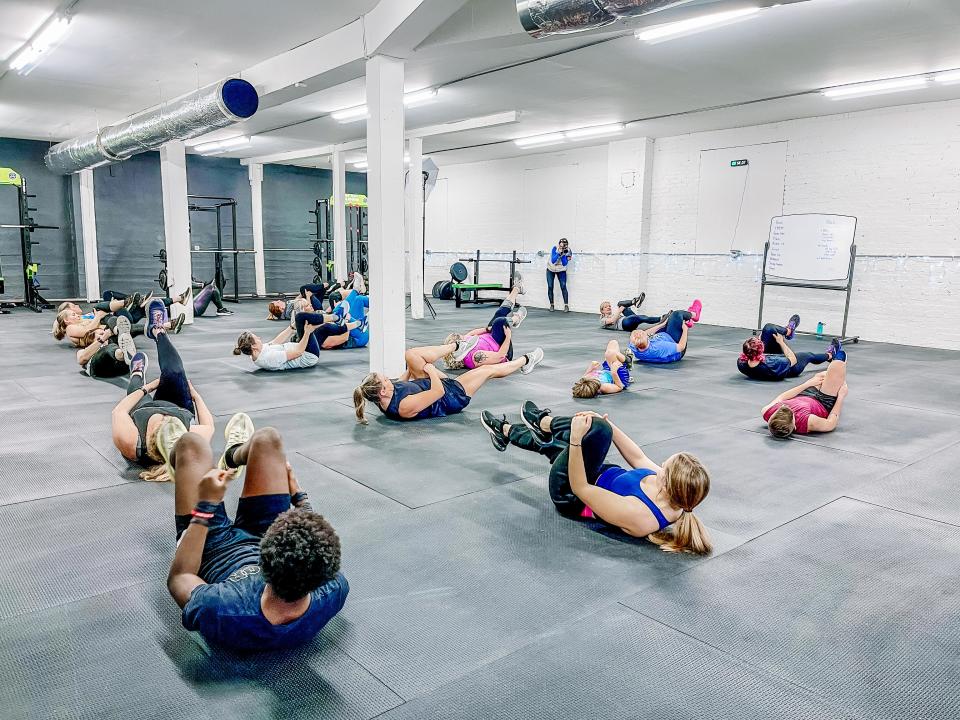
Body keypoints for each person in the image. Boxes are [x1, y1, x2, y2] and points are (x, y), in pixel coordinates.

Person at [156, 413, 348, 651]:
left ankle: (174, 457)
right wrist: (300, 498)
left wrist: (206, 507)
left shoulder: (221, 608)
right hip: (267, 545)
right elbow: (320, 546)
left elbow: (179, 577)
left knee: (191, 445)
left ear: (263, 560)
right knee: (268, 439)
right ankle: (231, 456)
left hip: (210, 549)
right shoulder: (334, 588)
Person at [479, 403, 711, 554]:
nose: (659, 466)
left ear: (668, 483)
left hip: (570, 493)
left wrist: (577, 439)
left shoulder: (642, 516)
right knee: (584, 434)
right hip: (594, 473)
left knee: (596, 430)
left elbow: (581, 487)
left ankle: (542, 423)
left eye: (663, 467)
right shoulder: (675, 495)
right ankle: (505, 430)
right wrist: (610, 423)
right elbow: (638, 457)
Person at [110, 303, 216, 481]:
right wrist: (196, 397)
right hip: (178, 405)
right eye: (170, 420)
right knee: (175, 373)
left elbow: (119, 411)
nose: (165, 416)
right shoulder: (191, 441)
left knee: (134, 388)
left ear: (152, 436)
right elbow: (209, 426)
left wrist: (147, 388)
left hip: (144, 410)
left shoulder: (133, 442)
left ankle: (136, 372)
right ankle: (158, 330)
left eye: (164, 420)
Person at [353, 342, 544, 424]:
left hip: (432, 385)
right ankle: (526, 361)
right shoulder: (403, 407)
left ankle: (457, 347)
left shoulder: (384, 396)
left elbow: (401, 384)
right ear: (382, 392)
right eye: (385, 380)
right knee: (487, 371)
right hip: (450, 397)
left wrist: (413, 367)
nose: (389, 379)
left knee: (410, 355)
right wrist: (428, 369)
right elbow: (438, 392)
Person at [762, 339, 848, 437]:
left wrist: (807, 384)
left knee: (820, 376)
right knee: (838, 364)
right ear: (795, 426)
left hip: (804, 394)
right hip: (823, 402)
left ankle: (830, 357)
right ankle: (835, 358)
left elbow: (782, 397)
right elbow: (830, 423)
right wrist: (841, 397)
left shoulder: (767, 411)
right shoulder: (807, 423)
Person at [441, 277, 526, 370]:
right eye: (461, 338)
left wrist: (487, 329)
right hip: (502, 348)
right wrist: (508, 337)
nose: (464, 337)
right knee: (499, 322)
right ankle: (517, 318)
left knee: (499, 314)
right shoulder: (475, 357)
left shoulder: (466, 342)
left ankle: (516, 288)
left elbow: (473, 333)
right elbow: (500, 356)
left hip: (492, 337)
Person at [233, 312, 361, 371]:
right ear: (254, 347)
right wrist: (307, 332)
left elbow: (276, 342)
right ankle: (337, 317)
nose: (260, 339)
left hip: (302, 348)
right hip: (308, 355)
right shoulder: (268, 358)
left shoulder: (256, 352)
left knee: (324, 328)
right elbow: (299, 352)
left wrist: (291, 327)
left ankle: (357, 324)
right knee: (301, 317)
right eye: (257, 339)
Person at [738, 315, 836, 381]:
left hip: (767, 359)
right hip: (790, 368)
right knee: (808, 355)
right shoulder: (773, 363)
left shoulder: (741, 363)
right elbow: (792, 359)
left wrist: (763, 336)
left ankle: (789, 331)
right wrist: (781, 342)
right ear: (761, 351)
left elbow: (755, 349)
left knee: (768, 328)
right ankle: (830, 356)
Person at [629, 300, 702, 365]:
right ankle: (694, 315)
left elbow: (646, 333)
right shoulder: (660, 347)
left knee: (667, 316)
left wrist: (662, 325)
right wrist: (685, 329)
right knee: (676, 314)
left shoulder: (634, 345)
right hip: (676, 346)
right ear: (648, 338)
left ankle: (682, 318)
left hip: (662, 337)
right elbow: (681, 347)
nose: (643, 332)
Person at [76, 314, 138, 379]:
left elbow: (112, 320)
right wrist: (103, 338)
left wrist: (115, 331)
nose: (104, 335)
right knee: (108, 349)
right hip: (99, 369)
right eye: (101, 334)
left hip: (120, 368)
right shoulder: (82, 351)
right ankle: (122, 354)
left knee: (112, 319)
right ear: (91, 339)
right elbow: (82, 359)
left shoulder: (112, 342)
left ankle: (147, 329)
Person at [546, 237, 572, 312]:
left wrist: (563, 254)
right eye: (561, 246)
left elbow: (564, 263)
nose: (563, 247)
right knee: (550, 286)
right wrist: (558, 252)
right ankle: (552, 304)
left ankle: (566, 305)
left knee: (563, 286)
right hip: (551, 269)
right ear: (559, 244)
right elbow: (553, 260)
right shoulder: (555, 248)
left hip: (561, 270)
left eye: (564, 245)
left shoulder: (568, 251)